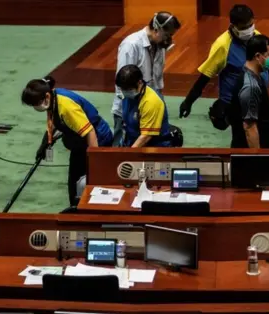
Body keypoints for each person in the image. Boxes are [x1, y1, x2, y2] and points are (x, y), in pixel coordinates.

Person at [178, 4, 269, 130]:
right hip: (237, 104)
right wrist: (188, 102)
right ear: (233, 25)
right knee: (243, 136)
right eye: (244, 27)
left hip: (258, 97)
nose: (249, 30)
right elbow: (203, 79)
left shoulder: (256, 36)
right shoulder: (222, 46)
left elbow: (267, 66)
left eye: (251, 25)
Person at [22, 76, 113, 206]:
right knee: (74, 180)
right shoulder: (52, 99)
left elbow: (90, 132)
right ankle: (75, 208)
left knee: (90, 180)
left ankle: (88, 210)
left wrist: (95, 159)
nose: (35, 107)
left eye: (35, 103)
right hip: (78, 141)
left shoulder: (66, 106)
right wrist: (45, 143)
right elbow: (54, 121)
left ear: (46, 97)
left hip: (97, 140)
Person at [112, 12, 181, 146]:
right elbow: (123, 81)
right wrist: (128, 113)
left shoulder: (159, 46)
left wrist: (158, 104)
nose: (169, 40)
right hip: (128, 107)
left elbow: (157, 78)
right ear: (157, 29)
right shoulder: (131, 45)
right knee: (120, 153)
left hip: (149, 105)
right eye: (167, 35)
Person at [227, 35, 269, 148]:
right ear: (258, 56)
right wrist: (257, 159)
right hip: (250, 151)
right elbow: (250, 127)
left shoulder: (250, 74)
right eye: (268, 55)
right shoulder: (250, 86)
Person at [116, 65, 176, 147]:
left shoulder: (152, 101)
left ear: (140, 82)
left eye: (128, 89)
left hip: (154, 148)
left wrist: (128, 154)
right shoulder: (129, 96)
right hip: (133, 141)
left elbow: (146, 136)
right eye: (123, 89)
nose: (125, 92)